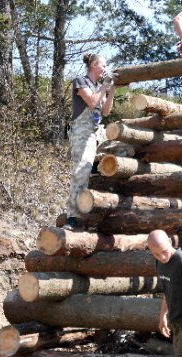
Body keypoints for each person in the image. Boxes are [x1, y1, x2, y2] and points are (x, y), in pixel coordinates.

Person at [63, 53, 116, 231]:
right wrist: (104, 87)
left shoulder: (99, 87)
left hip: (97, 133)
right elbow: (93, 102)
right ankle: (73, 217)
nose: (105, 69)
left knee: (120, 154)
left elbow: (106, 111)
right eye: (103, 65)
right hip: (82, 132)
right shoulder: (81, 81)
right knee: (81, 170)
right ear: (94, 65)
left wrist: (111, 91)